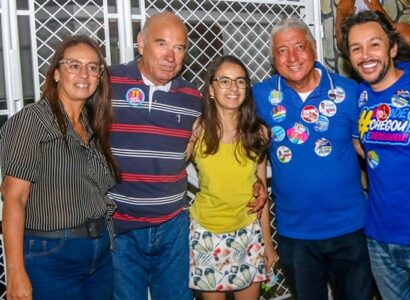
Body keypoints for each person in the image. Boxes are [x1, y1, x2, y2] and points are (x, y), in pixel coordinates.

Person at [108, 12, 267, 299]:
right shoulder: (108, 83)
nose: (171, 56)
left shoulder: (191, 99)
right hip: (122, 228)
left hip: (173, 227)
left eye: (179, 48)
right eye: (162, 43)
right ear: (141, 43)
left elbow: (219, 155)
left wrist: (254, 184)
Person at [252, 18, 372, 300]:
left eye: (298, 47)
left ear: (313, 49)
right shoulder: (261, 95)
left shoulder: (349, 92)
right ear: (273, 57)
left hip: (351, 228)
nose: (292, 57)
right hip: (296, 234)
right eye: (281, 51)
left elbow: (367, 150)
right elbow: (247, 145)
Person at [342, 10, 410, 299]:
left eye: (374, 44)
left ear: (392, 48)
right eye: (357, 48)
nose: (365, 54)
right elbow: (364, 147)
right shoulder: (360, 96)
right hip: (379, 239)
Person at [0, 35, 118, 300]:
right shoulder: (33, 120)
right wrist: (16, 272)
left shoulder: (92, 125)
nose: (84, 74)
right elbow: (14, 198)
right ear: (56, 74)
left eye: (92, 67)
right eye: (74, 65)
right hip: (51, 256)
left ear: (100, 77)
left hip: (99, 254)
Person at [186, 55, 278, 299]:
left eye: (240, 81)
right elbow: (170, 168)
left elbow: (262, 192)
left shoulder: (259, 132)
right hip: (206, 233)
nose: (233, 87)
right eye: (224, 81)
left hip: (247, 233)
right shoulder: (197, 130)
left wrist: (268, 243)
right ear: (212, 89)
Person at [336, 0, 410, 74]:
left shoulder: (384, 72)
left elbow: (345, 46)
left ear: (393, 49)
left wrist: (342, 14)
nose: (391, 24)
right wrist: (380, 10)